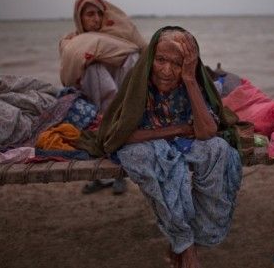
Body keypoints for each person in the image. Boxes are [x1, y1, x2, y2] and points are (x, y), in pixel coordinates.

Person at [96, 26, 243, 268]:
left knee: (219, 150)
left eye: (177, 63)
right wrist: (175, 130)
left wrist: (188, 78)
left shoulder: (192, 80)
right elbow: (120, 135)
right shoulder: (139, 79)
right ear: (151, 56)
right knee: (141, 156)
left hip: (186, 143)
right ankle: (185, 244)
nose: (166, 70)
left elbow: (207, 131)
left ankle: (190, 236)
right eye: (161, 59)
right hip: (147, 143)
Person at [59, 0, 147, 194]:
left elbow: (136, 52)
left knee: (131, 58)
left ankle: (118, 175)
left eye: (99, 13)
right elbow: (70, 66)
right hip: (89, 103)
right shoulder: (71, 40)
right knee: (93, 69)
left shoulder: (116, 38)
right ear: (79, 17)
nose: (96, 19)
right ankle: (99, 177)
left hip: (118, 102)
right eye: (90, 14)